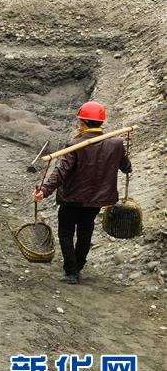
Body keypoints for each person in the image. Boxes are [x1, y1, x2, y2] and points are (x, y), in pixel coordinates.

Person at [33, 101, 132, 284]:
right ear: (101, 122)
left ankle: (71, 272)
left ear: (82, 122)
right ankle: (78, 267)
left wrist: (44, 190)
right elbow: (126, 167)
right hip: (96, 200)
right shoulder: (116, 143)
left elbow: (61, 172)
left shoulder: (76, 144)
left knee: (66, 233)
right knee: (85, 233)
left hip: (72, 198)